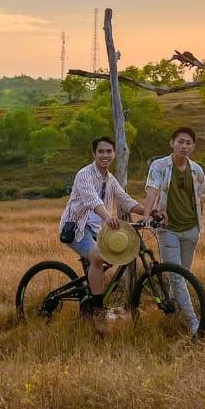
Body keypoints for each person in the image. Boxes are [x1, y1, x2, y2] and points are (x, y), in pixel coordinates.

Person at [58, 136, 147, 330]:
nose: (105, 155)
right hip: (77, 229)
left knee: (113, 252)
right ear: (94, 154)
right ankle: (98, 311)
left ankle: (93, 293)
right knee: (98, 256)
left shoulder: (110, 179)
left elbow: (126, 200)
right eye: (101, 152)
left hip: (98, 230)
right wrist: (108, 217)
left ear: (114, 154)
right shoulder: (84, 175)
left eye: (109, 152)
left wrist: (149, 212)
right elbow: (93, 201)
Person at [144, 126, 205, 334]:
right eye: (180, 141)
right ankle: (193, 322)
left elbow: (201, 198)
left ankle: (173, 313)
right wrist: (147, 214)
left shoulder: (196, 170)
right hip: (168, 229)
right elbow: (152, 189)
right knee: (177, 277)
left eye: (188, 143)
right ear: (172, 143)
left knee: (182, 275)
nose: (184, 146)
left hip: (191, 230)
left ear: (193, 147)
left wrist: (199, 224)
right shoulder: (160, 166)